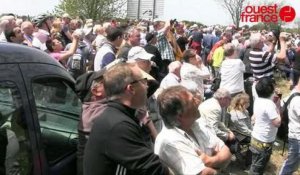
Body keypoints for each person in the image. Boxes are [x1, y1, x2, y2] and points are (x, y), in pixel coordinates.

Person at [83, 63, 170, 175]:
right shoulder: (118, 126)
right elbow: (155, 169)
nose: (147, 86)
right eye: (144, 81)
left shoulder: (119, 115)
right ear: (131, 89)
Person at [155, 85, 231, 175]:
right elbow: (203, 173)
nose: (198, 101)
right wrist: (218, 169)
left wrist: (210, 160)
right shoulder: (170, 140)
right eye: (192, 101)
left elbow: (227, 152)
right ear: (179, 115)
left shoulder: (197, 125)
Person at [250, 77, 281, 174]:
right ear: (270, 89)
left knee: (255, 165)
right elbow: (277, 123)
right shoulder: (269, 104)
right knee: (257, 169)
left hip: (255, 138)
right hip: (264, 142)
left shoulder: (258, 100)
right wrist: (278, 110)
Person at [279, 77, 300, 175]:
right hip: (297, 138)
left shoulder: (293, 93)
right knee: (290, 166)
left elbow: (282, 102)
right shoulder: (297, 100)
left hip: (294, 134)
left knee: (292, 164)